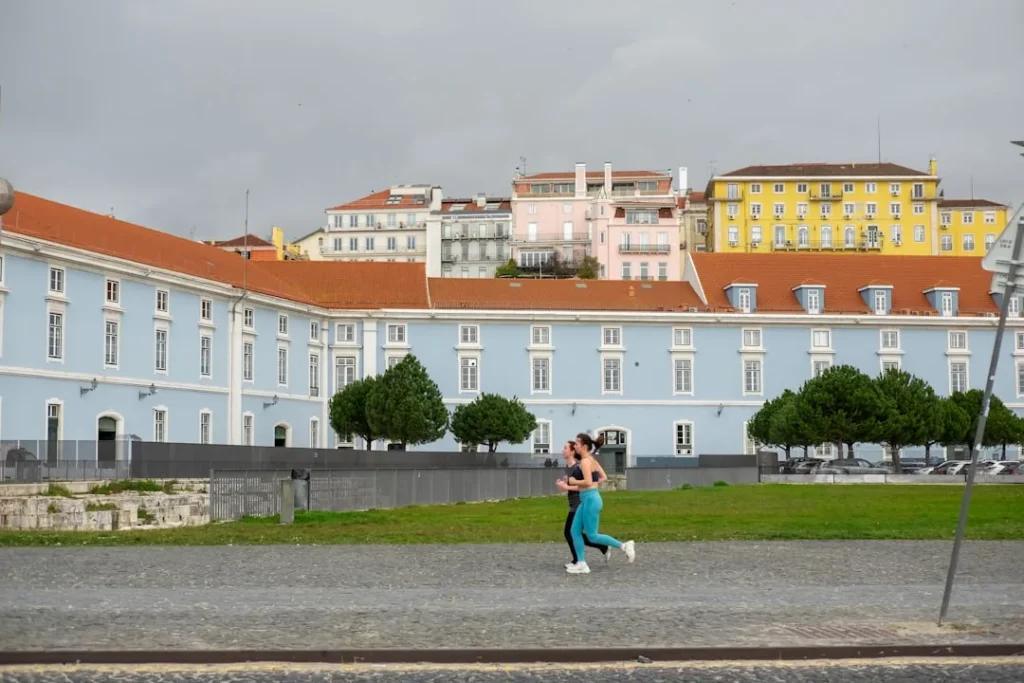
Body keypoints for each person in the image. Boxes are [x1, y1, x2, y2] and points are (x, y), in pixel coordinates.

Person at [566, 432, 636, 574]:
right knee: (574, 531)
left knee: (592, 535)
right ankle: (581, 563)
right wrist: (589, 485)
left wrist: (573, 482)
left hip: (591, 500)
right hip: (587, 499)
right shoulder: (590, 460)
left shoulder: (586, 461)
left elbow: (588, 481)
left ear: (584, 446)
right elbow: (602, 477)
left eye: (577, 444)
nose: (575, 446)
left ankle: (624, 546)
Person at [556, 440, 609, 568]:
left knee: (572, 533)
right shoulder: (568, 467)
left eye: (565, 448)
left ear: (572, 452)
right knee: (574, 533)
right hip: (573, 503)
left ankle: (579, 560)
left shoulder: (578, 466)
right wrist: (563, 486)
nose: (562, 450)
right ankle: (595, 550)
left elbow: (588, 483)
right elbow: (569, 485)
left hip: (580, 502)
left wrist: (568, 486)